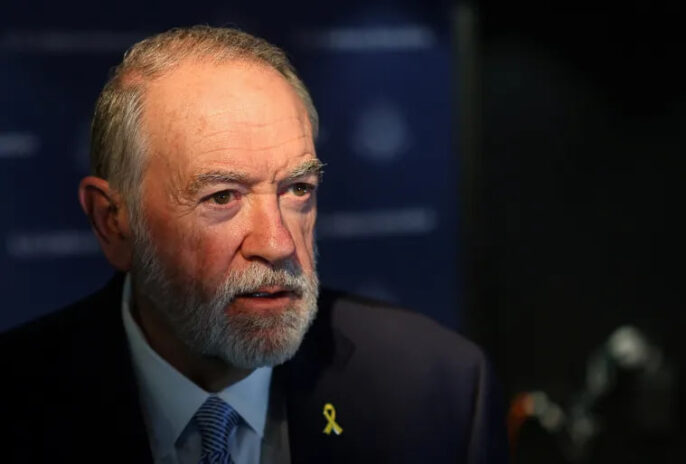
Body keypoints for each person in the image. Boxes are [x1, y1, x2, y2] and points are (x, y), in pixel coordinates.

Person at [1, 25, 508, 463]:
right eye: (223, 196)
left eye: (298, 189)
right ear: (112, 222)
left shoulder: (437, 390)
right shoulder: (21, 397)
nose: (278, 244)